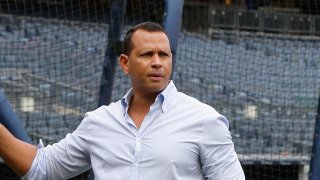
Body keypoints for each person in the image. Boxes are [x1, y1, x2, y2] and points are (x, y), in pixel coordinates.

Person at [0, 22, 245, 179]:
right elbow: (43, 168)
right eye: (147, 54)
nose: (158, 62)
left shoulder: (205, 120)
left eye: (164, 55)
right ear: (125, 63)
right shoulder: (99, 122)